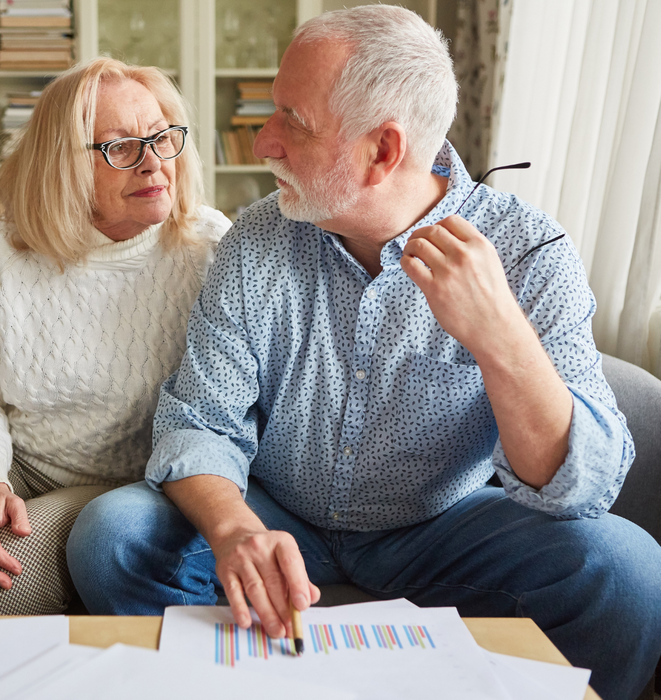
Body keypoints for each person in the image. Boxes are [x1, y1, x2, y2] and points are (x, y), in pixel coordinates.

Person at [67, 7, 661, 700]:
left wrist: (501, 337)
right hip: (278, 511)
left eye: (294, 121)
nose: (263, 143)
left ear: (382, 150)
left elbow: (582, 487)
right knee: (111, 537)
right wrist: (234, 531)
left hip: (448, 525)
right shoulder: (255, 243)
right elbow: (199, 422)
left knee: (628, 573)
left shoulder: (530, 252)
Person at [0, 57, 230, 615]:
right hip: (18, 465)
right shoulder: (12, 248)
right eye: (121, 147)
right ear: (65, 166)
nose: (154, 163)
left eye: (162, 138)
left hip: (130, 489)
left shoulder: (210, 246)